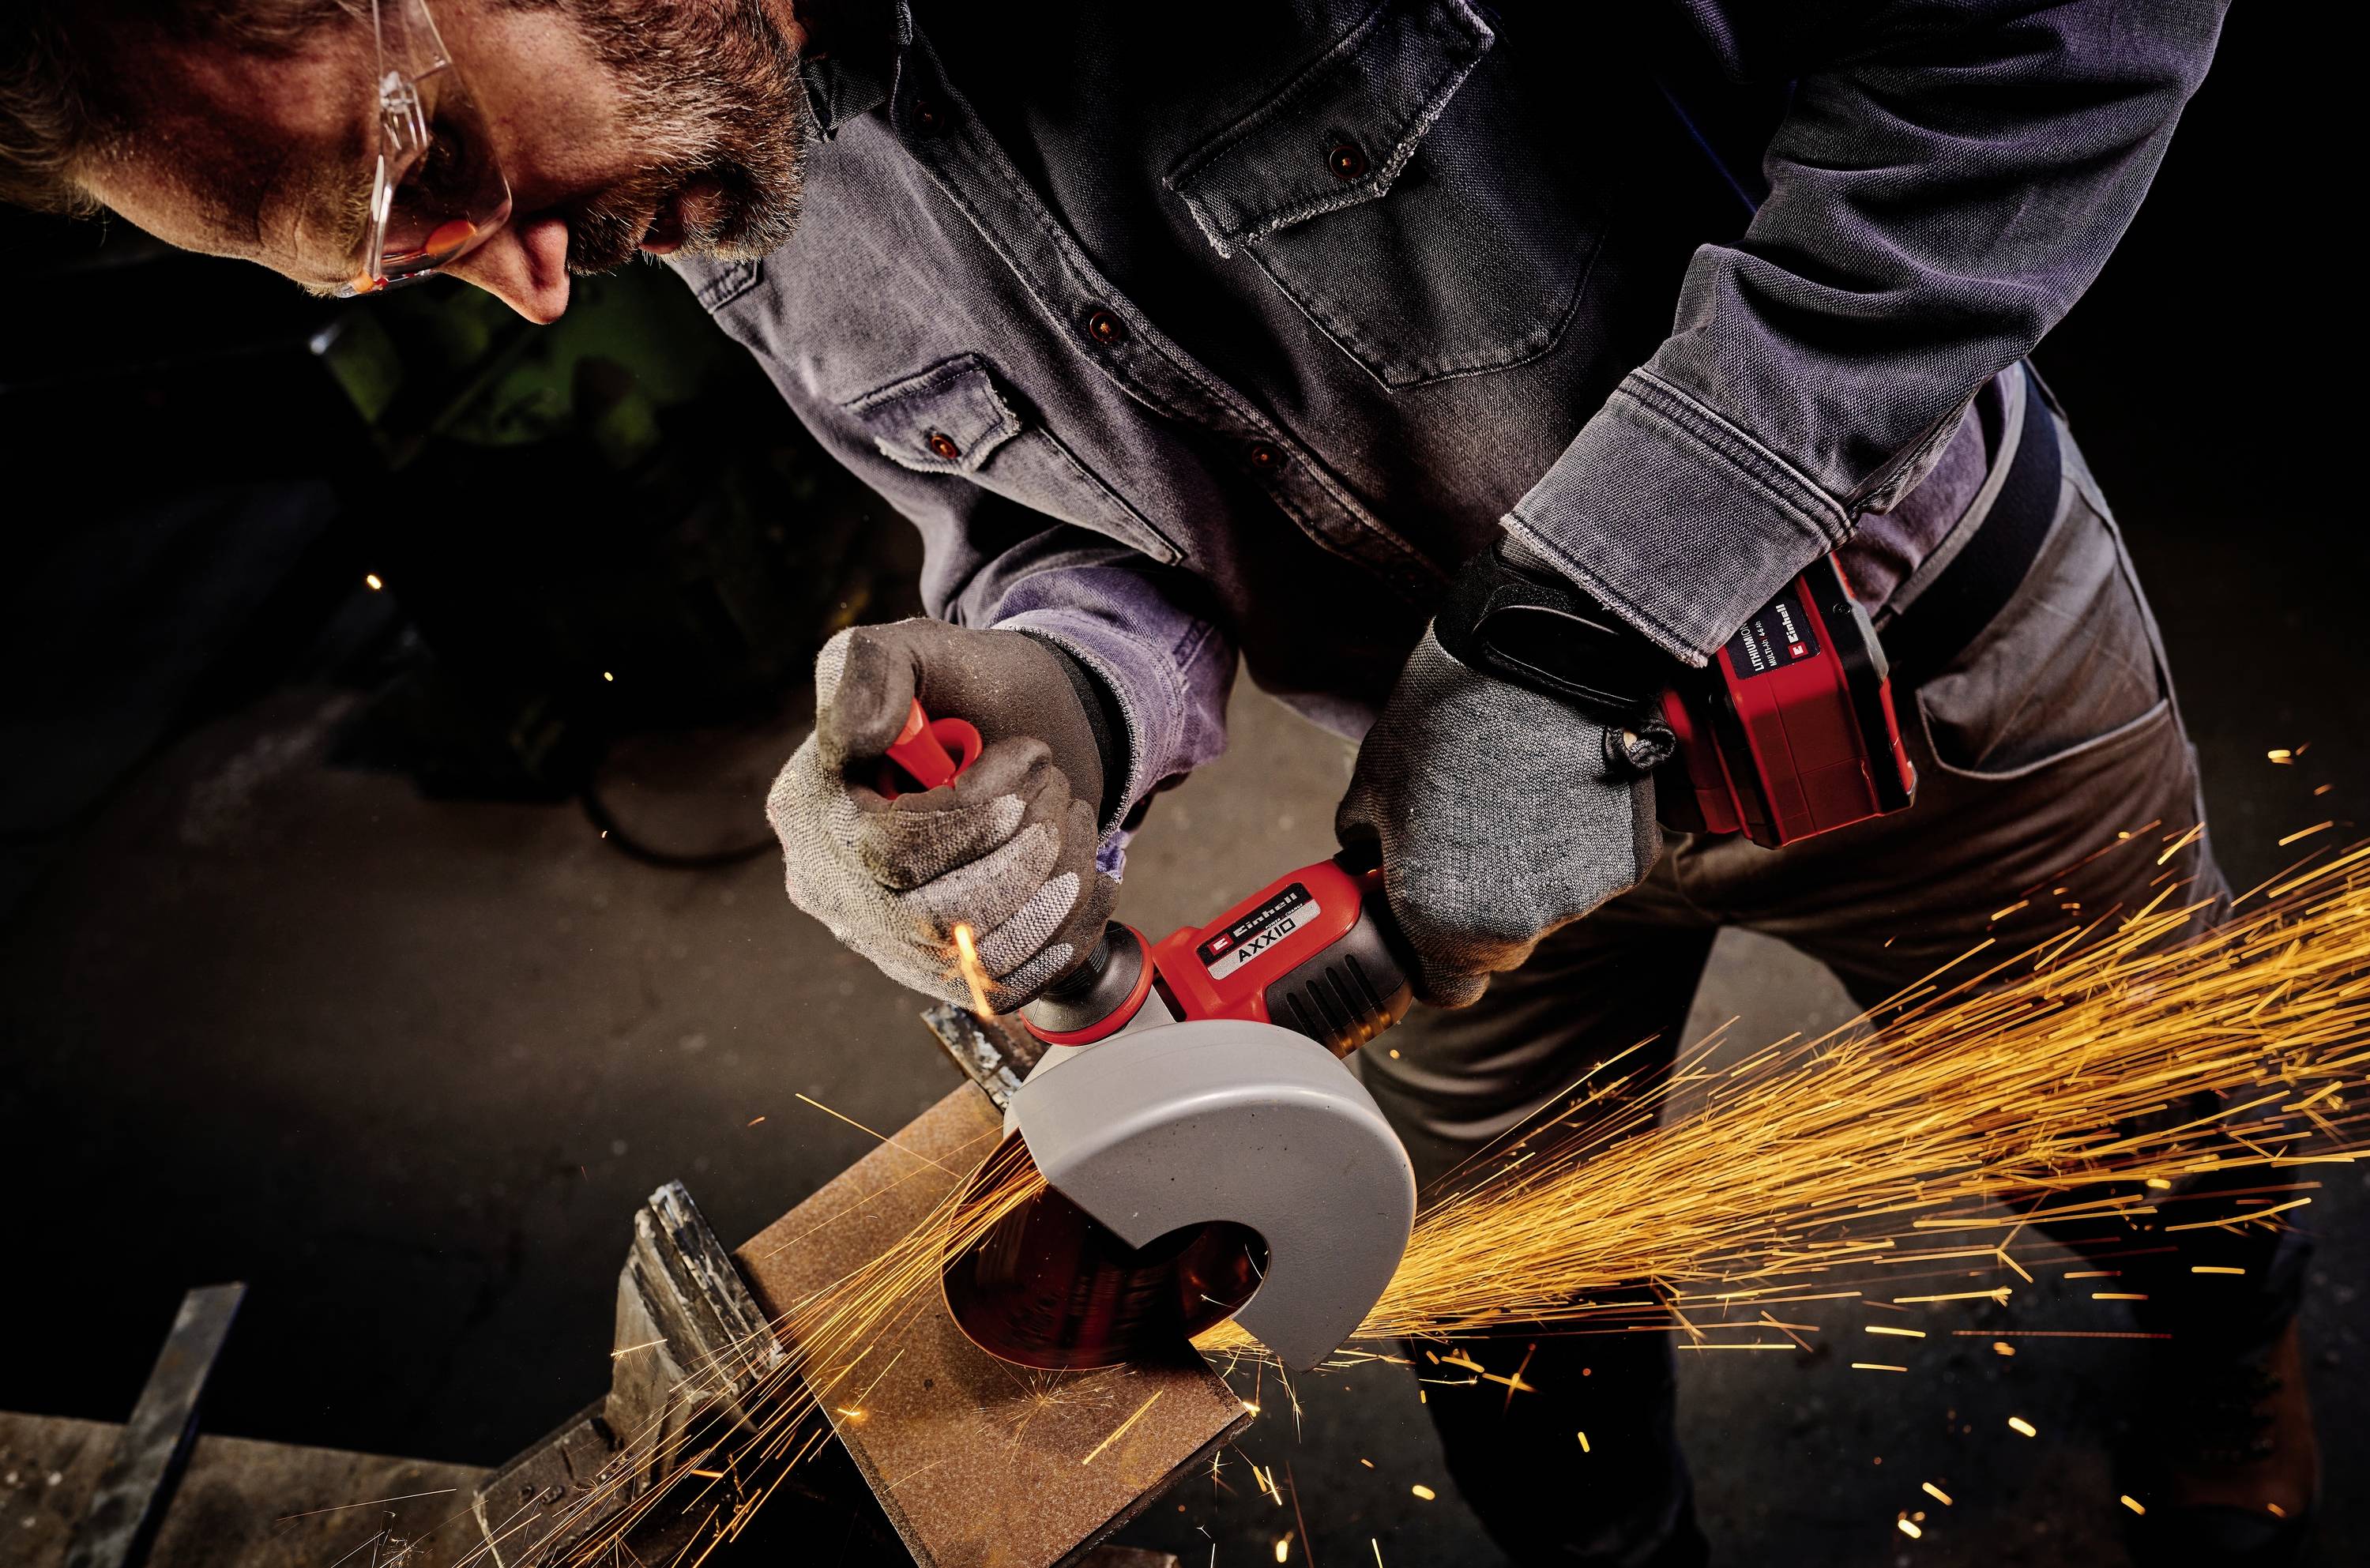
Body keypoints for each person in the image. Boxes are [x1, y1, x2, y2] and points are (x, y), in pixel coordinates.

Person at [7, 2, 2314, 1562]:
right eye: (404, 266)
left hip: (1919, 658)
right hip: (1446, 821)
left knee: (2161, 1138)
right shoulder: (700, 139)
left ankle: (2234, 1362)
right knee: (1516, 1324)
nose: (525, 287)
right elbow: (1085, 529)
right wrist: (1048, 699)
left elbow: (2063, 38)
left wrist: (1593, 614)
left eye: (426, 165)